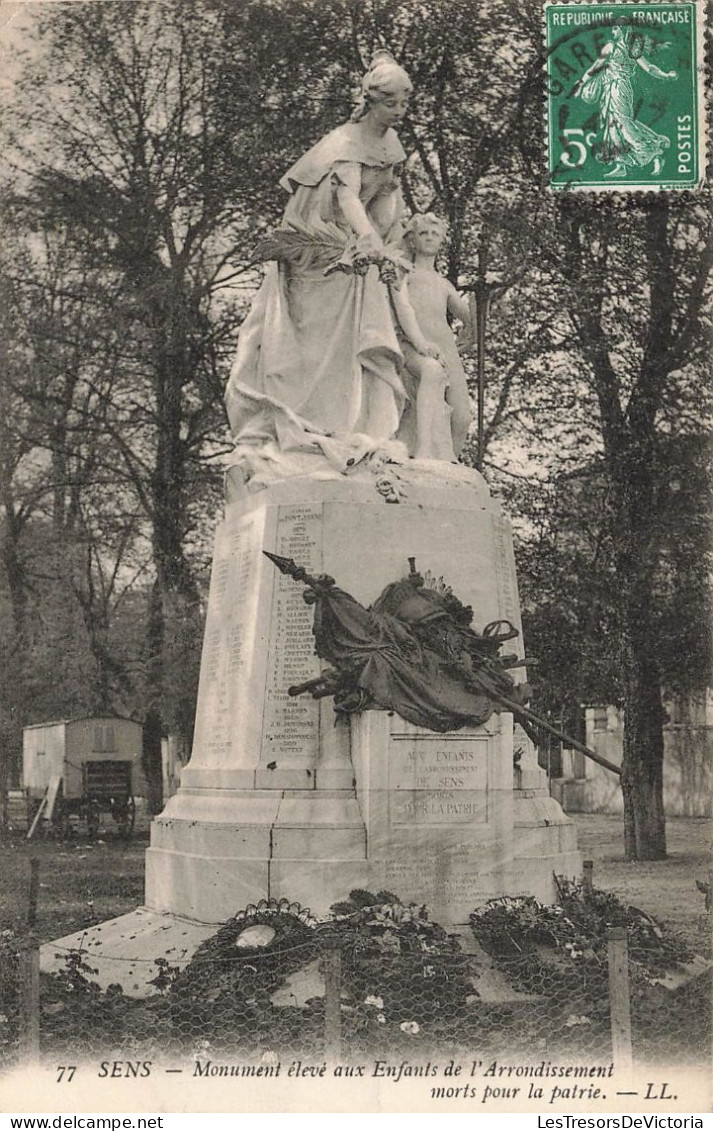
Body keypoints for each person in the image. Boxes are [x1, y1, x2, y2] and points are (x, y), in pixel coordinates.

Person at [226, 51, 416, 460]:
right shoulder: (345, 144)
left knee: (361, 313)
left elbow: (384, 193)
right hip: (316, 249)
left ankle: (358, 424)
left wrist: (385, 236)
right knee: (316, 338)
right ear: (370, 101)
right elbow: (347, 197)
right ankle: (311, 422)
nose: (400, 111)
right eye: (391, 104)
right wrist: (372, 243)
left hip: (354, 245)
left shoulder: (390, 142)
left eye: (405, 103)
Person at [390, 213, 473, 460]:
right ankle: (425, 455)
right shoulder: (404, 273)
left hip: (447, 350)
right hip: (414, 347)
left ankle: (452, 467)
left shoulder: (444, 283)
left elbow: (471, 318)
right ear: (412, 240)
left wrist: (480, 298)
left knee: (462, 418)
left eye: (434, 234)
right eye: (423, 233)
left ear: (441, 241)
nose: (429, 238)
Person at [573, 21, 677, 178]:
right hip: (609, 89)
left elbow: (649, 68)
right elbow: (597, 67)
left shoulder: (625, 48)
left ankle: (655, 151)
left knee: (623, 123)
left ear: (622, 29)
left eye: (615, 28)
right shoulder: (627, 48)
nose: (613, 31)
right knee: (611, 125)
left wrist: (666, 76)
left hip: (620, 89)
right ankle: (621, 164)